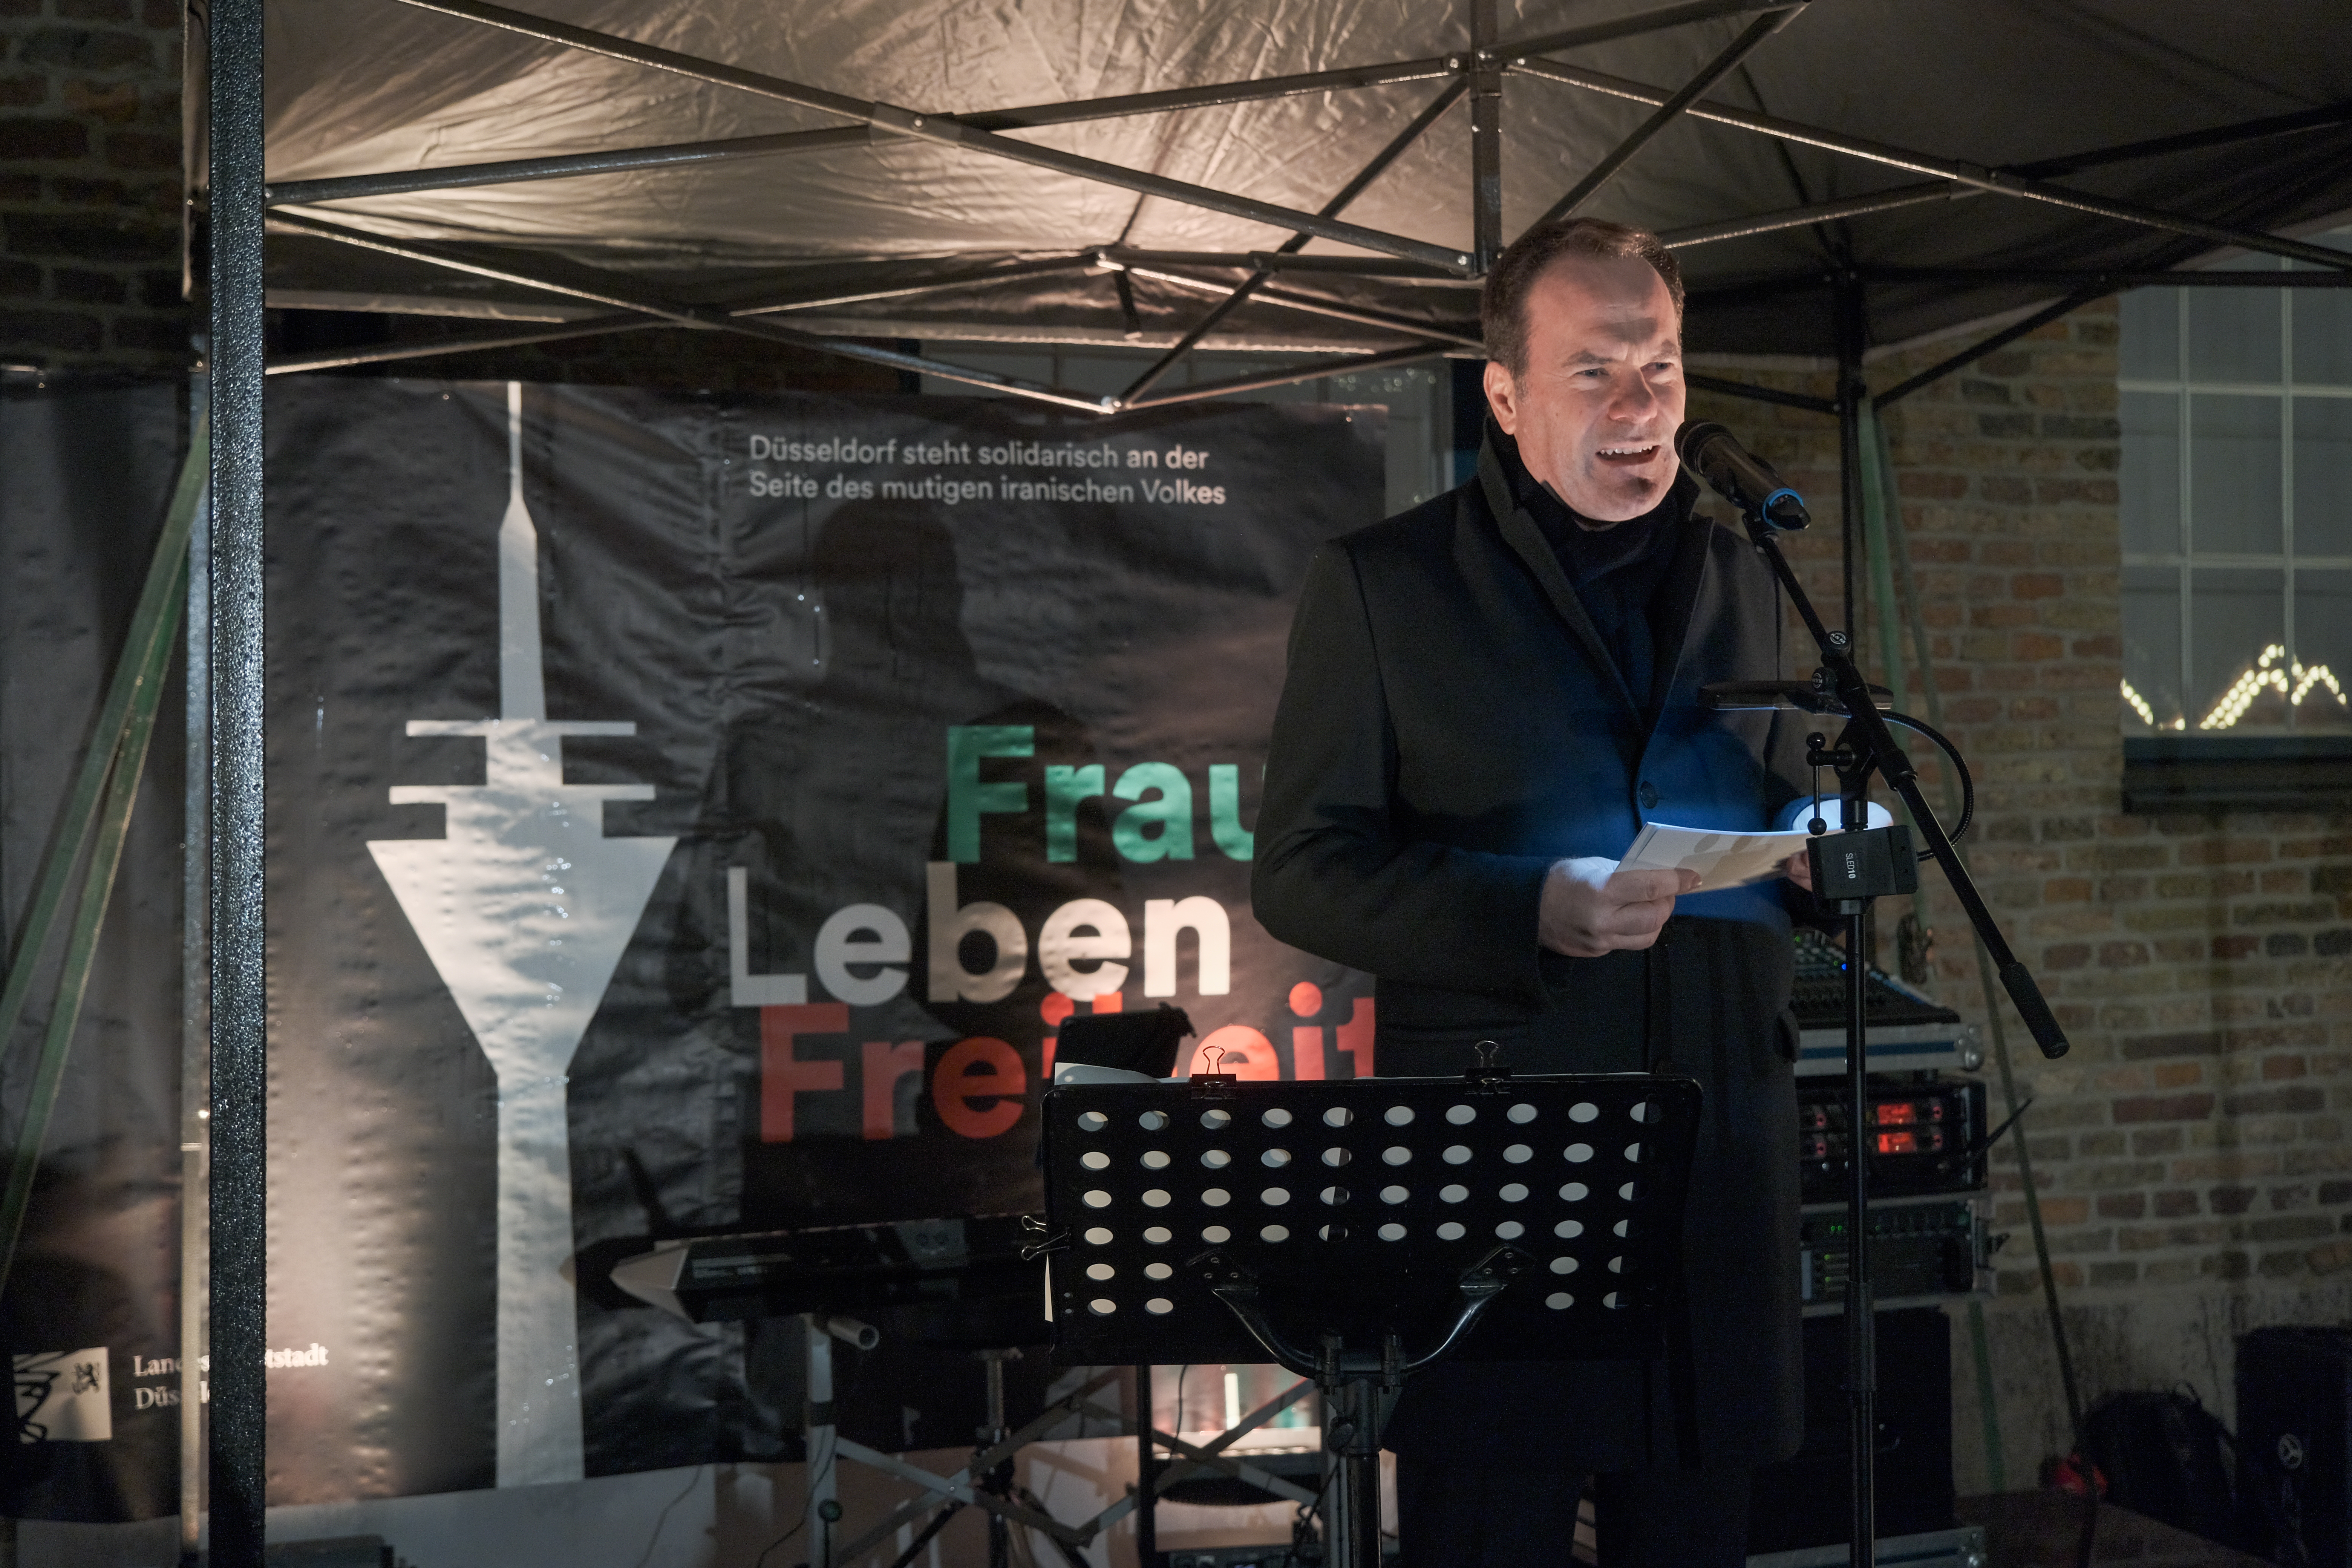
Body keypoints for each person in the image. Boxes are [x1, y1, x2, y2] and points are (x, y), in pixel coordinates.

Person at [1251, 217, 1820, 1565]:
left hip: (1717, 1183)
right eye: (1597, 373)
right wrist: (1529, 909)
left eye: (1665, 369)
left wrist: (1817, 850)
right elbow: (1302, 870)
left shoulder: (1749, 570)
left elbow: (1779, 812)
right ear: (1503, 397)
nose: (1642, 409)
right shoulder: (1385, 584)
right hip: (1500, 1194)